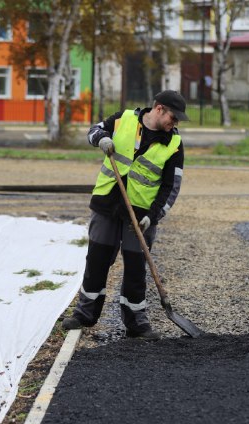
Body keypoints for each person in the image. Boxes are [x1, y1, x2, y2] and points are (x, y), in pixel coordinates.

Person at [61, 90, 189, 340]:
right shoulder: (123, 119)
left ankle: (136, 324)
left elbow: (170, 187)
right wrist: (101, 139)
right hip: (107, 203)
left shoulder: (173, 144)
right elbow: (93, 130)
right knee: (97, 260)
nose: (175, 123)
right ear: (159, 108)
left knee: (135, 270)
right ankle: (84, 315)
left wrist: (153, 216)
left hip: (140, 215)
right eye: (174, 117)